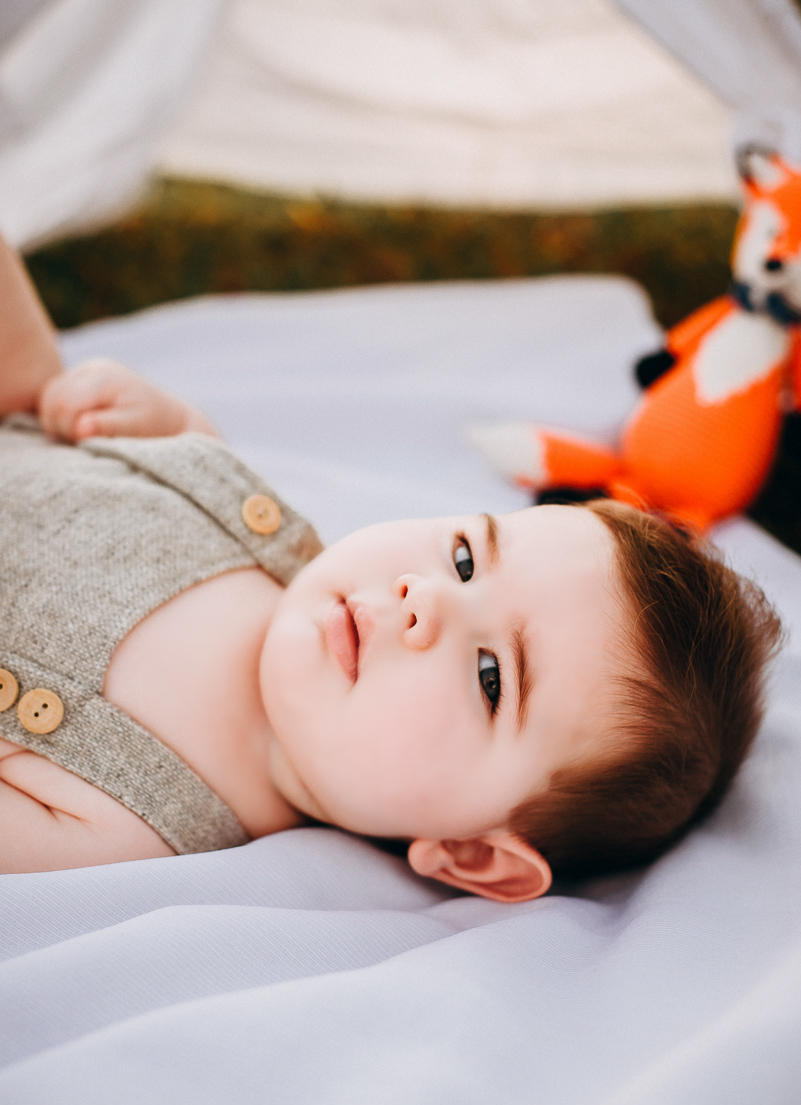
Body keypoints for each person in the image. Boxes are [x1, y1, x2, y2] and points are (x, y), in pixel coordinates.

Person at [0, 235, 783, 897]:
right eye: (467, 557)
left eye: (489, 676)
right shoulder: (267, 542)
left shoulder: (134, 820)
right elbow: (186, 456)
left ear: (473, 853)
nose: (423, 601)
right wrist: (144, 417)